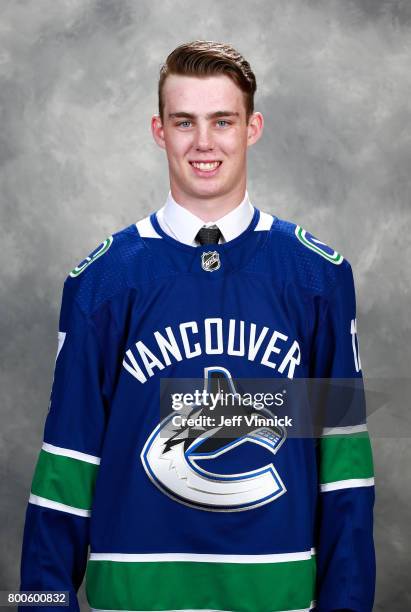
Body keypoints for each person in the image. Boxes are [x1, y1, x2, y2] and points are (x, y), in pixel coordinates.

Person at [19, 40, 375, 611]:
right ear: (159, 130)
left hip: (276, 599)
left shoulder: (317, 278)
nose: (203, 142)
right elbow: (66, 466)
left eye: (222, 121)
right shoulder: (103, 282)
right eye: (184, 121)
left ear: (252, 128)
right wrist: (38, 602)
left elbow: (344, 474)